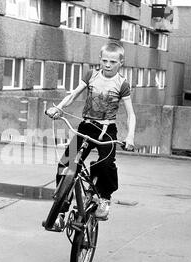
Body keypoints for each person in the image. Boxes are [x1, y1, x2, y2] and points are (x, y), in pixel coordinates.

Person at [46, 41, 136, 229]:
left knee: (106, 164)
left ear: (121, 63)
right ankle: (60, 212)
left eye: (112, 62)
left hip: (107, 130)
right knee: (66, 163)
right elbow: (73, 95)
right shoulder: (91, 76)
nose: (108, 65)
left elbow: (130, 114)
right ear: (100, 60)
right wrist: (59, 108)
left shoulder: (122, 84)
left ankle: (104, 198)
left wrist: (130, 137)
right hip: (86, 126)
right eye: (104, 61)